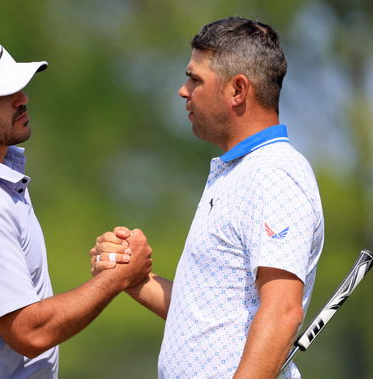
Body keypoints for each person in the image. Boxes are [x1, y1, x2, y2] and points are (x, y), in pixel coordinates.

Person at [92, 17, 324, 378]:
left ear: (237, 90)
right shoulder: (236, 173)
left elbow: (282, 311)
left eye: (195, 79)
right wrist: (133, 279)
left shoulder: (275, 173)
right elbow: (204, 314)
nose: (183, 91)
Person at [0, 34, 152, 379]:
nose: (22, 98)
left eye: (19, 87)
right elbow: (30, 331)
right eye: (2, 94)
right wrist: (116, 279)